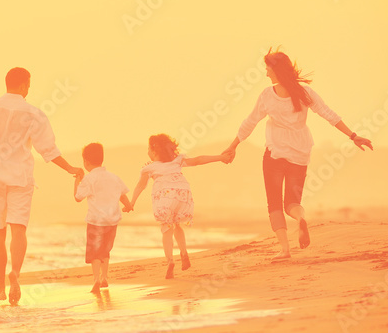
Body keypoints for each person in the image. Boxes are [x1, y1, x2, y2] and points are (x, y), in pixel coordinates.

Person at [0, 67, 84, 305]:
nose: (29, 89)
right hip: (20, 177)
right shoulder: (34, 113)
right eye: (28, 85)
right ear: (22, 85)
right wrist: (71, 168)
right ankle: (16, 275)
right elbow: (48, 151)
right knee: (18, 229)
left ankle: (0, 288)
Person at [221, 48, 373, 261]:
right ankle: (300, 218)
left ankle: (285, 250)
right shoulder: (305, 93)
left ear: (275, 70)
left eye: (267, 68)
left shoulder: (267, 95)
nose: (265, 73)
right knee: (292, 203)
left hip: (275, 153)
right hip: (300, 153)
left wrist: (233, 145)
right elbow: (328, 114)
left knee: (274, 204)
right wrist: (353, 135)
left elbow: (250, 122)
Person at [130, 134, 229, 279]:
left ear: (154, 150)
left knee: (166, 229)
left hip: (165, 196)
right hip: (182, 194)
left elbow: (141, 185)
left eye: (148, 149)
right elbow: (198, 160)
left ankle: (170, 261)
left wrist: (132, 202)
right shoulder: (177, 160)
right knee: (176, 224)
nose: (147, 152)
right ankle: (184, 253)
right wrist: (220, 157)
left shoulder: (149, 168)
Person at [74, 143, 132, 294]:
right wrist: (128, 205)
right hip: (112, 221)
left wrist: (77, 180)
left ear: (85, 161)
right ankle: (105, 277)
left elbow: (78, 197)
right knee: (105, 250)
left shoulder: (89, 179)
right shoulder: (113, 177)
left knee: (95, 252)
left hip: (96, 221)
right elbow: (122, 195)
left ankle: (96, 279)